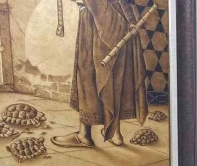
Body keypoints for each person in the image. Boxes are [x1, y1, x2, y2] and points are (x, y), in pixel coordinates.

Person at [52, 0, 148, 148]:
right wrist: (130, 20)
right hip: (118, 19)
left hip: (97, 18)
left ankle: (84, 135)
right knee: (114, 74)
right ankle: (115, 133)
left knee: (88, 76)